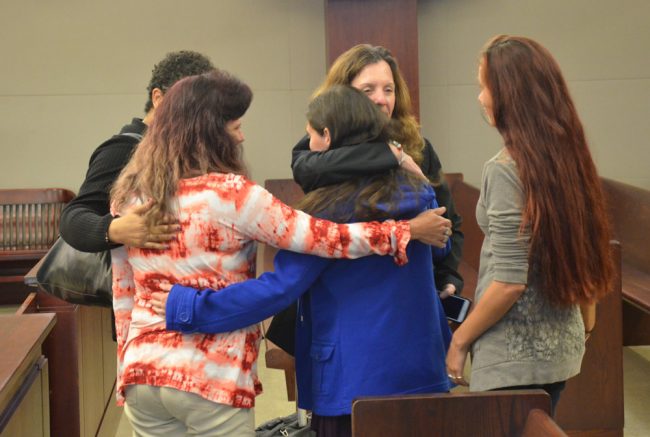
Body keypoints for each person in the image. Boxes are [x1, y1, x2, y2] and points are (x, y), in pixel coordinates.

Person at [110, 72, 451, 436]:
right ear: (212, 133)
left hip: (142, 371)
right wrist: (406, 230)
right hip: (211, 375)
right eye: (236, 126)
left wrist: (125, 365)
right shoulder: (234, 196)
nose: (241, 136)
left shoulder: (129, 194)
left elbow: (123, 291)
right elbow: (328, 239)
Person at [445, 35, 613, 415]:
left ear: (509, 94)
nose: (480, 97)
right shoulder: (568, 155)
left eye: (484, 86)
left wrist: (460, 342)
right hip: (562, 345)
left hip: (513, 356)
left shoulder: (506, 169)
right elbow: (583, 242)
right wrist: (586, 319)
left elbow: (508, 282)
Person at [291, 44, 463, 297]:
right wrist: (391, 155)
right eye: (367, 90)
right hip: (342, 292)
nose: (381, 100)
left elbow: (447, 221)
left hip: (405, 292)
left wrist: (448, 275)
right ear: (343, 97)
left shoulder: (419, 148)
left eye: (389, 90)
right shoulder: (324, 146)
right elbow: (303, 167)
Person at [60, 50, 215, 252]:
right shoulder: (122, 150)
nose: (198, 118)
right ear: (158, 98)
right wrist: (114, 229)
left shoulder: (188, 149)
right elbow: (72, 218)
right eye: (189, 106)